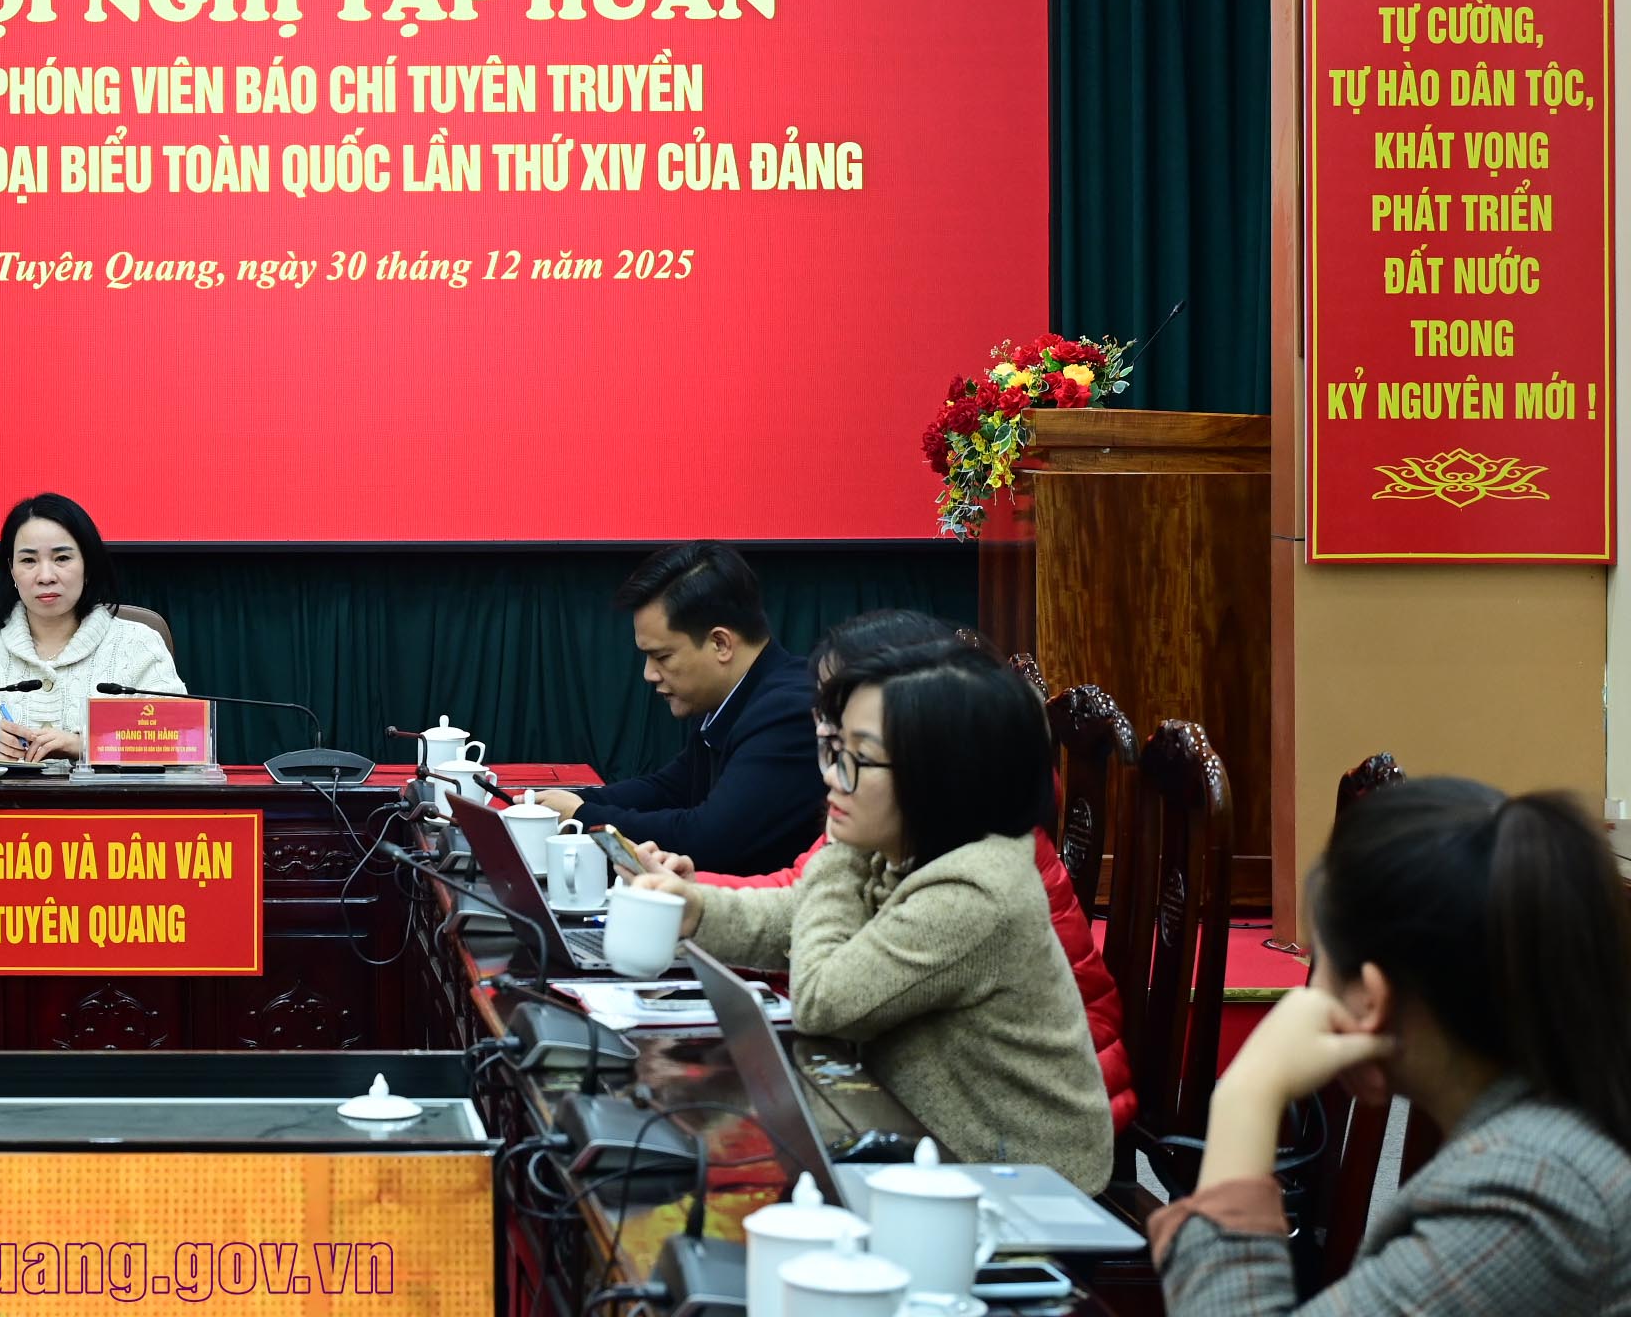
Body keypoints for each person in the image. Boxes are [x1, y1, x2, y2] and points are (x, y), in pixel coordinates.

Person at [631, 624, 1112, 1191]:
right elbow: (796, 915)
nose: (831, 778)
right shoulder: (917, 847)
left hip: (1024, 1188)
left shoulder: (973, 889)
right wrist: (698, 911)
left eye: (856, 759)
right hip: (924, 1144)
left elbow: (823, 1001)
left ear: (936, 775)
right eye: (832, 752)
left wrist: (838, 850)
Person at [1150, 778, 1631, 1315]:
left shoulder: (1535, 1194)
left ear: (1370, 1001)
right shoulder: (1553, 1129)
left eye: (1318, 960)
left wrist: (1247, 1094)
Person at [533, 542, 823, 875]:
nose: (649, 674)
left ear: (720, 643)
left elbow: (709, 839)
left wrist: (583, 816)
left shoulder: (790, 713)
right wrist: (561, 801)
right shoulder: (731, 698)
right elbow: (670, 789)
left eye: (662, 656)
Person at [0, 494, 181, 762]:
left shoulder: (138, 643)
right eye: (28, 561)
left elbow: (185, 740)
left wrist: (85, 745)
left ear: (88, 566)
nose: (46, 576)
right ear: (12, 570)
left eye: (62, 558)